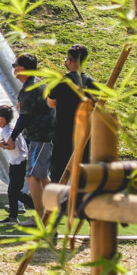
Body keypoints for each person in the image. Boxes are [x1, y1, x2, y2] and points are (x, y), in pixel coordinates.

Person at [6, 53, 53, 226]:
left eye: (15, 65)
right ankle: (49, 213)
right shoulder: (38, 84)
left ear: (21, 69)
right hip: (43, 137)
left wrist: (12, 137)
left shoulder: (29, 89)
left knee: (33, 177)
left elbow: (24, 118)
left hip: (40, 137)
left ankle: (42, 216)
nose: (13, 69)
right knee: (40, 177)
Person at [48, 44, 97, 184]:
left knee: (58, 173)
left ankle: (56, 203)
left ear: (69, 60)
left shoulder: (60, 82)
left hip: (62, 134)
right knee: (84, 173)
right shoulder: (92, 83)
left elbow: (51, 103)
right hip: (85, 135)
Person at [0, 104, 35, 225]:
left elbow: (11, 145)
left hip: (17, 163)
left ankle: (38, 207)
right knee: (12, 191)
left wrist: (3, 145)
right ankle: (13, 217)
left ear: (1, 118)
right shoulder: (11, 129)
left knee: (15, 191)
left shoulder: (6, 131)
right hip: (20, 161)